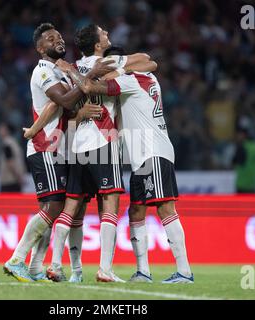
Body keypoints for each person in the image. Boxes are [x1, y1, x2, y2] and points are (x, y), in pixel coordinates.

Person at [56, 45, 194, 283]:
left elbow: (88, 87)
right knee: (135, 211)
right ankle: (143, 272)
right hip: (140, 157)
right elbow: (150, 61)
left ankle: (184, 271)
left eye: (107, 68)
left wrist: (71, 69)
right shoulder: (142, 77)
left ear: (117, 66)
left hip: (154, 152)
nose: (105, 73)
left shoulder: (130, 81)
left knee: (165, 208)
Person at [3, 23, 114, 283]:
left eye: (60, 37)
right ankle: (16, 259)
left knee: (57, 208)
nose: (58, 41)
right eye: (51, 39)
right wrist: (89, 81)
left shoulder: (62, 72)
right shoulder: (43, 71)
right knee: (53, 206)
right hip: (46, 147)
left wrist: (79, 108)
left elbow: (66, 108)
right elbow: (63, 101)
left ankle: (35, 267)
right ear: (40, 48)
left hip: (62, 147)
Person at [46, 24, 157, 283]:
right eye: (104, 34)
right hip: (103, 141)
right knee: (110, 205)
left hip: (76, 144)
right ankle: (105, 269)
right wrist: (126, 66)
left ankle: (55, 265)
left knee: (71, 207)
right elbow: (148, 61)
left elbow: (66, 104)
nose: (108, 34)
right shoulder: (108, 62)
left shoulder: (74, 67)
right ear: (97, 45)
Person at [233, 126, 255, 194]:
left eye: (238, 134)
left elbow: (236, 162)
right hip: (253, 183)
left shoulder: (243, 147)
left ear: (243, 135)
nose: (236, 137)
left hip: (243, 184)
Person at [0, 123, 26, 192]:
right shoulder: (13, 142)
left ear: (7, 131)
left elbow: (10, 162)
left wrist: (19, 178)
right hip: (14, 180)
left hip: (9, 181)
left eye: (1, 129)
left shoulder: (7, 144)